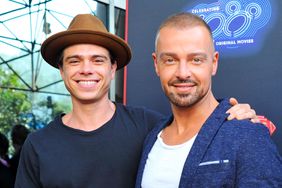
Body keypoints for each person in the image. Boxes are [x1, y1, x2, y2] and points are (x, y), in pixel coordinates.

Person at [15, 14, 270, 188]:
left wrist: (247, 121)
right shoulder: (38, 146)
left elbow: (210, 135)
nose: (86, 70)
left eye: (98, 60)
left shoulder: (148, 127)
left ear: (112, 67)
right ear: (61, 70)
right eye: (74, 61)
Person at [135, 12, 282, 187]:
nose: (183, 73)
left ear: (214, 63)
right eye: (170, 60)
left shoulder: (247, 134)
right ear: (156, 64)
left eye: (196, 60)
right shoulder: (152, 138)